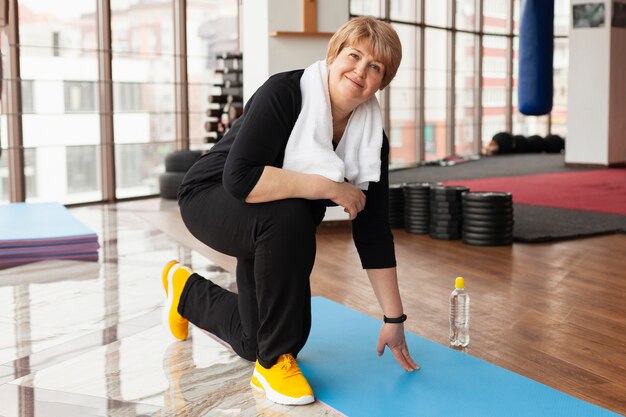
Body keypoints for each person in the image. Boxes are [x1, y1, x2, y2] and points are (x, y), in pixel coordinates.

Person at [162, 16, 419, 407]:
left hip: (270, 222)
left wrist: (393, 320)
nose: (360, 71)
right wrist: (330, 187)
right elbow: (241, 180)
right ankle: (272, 366)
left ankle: (187, 291)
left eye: (375, 67)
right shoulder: (285, 92)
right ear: (333, 56)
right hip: (211, 196)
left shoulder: (370, 139)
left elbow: (373, 230)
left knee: (262, 338)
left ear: (382, 82)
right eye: (354, 56)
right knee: (294, 218)